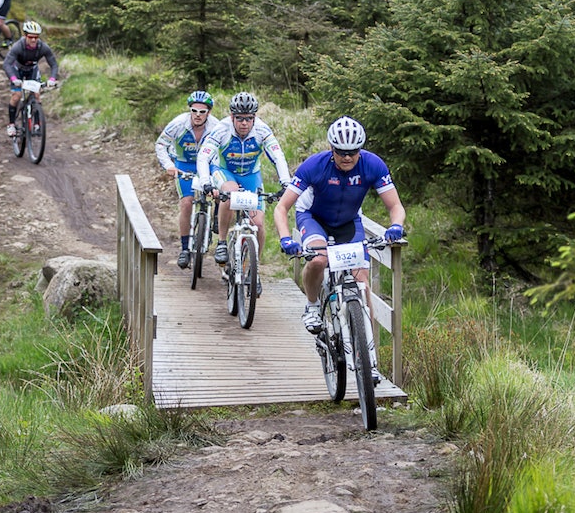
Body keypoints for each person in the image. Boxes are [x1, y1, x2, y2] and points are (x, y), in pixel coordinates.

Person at [273, 116, 406, 344]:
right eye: (341, 151)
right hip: (313, 217)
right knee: (318, 259)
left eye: (353, 152)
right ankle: (313, 305)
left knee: (362, 286)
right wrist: (286, 239)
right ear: (331, 148)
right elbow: (281, 207)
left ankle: (369, 357)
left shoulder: (373, 165)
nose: (347, 157)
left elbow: (395, 206)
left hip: (348, 221)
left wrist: (396, 226)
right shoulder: (314, 166)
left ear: (360, 150)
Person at [196, 91, 290, 282]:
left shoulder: (262, 130)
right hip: (224, 171)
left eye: (249, 119)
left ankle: (254, 270)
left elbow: (278, 157)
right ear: (232, 117)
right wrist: (206, 181)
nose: (244, 123)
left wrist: (285, 182)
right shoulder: (221, 129)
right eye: (239, 119)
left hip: (251, 176)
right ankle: (222, 241)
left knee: (258, 224)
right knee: (229, 193)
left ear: (255, 118)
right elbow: (204, 156)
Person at [155, 91, 221, 268]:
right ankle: (185, 249)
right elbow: (161, 144)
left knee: (218, 190)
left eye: (202, 112)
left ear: (209, 113)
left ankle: (216, 216)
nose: (198, 115)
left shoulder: (216, 126)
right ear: (190, 110)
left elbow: (223, 149)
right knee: (186, 203)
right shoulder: (178, 124)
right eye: (194, 111)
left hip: (207, 164)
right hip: (185, 164)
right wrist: (169, 165)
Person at [2, 20, 58, 137]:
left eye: (36, 37)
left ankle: (37, 124)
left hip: (32, 70)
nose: (33, 40)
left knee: (36, 95)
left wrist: (52, 79)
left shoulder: (43, 47)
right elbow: (7, 64)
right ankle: (11, 124)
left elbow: (53, 64)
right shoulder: (18, 46)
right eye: (31, 37)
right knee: (16, 96)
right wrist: (13, 79)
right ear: (25, 36)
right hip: (17, 70)